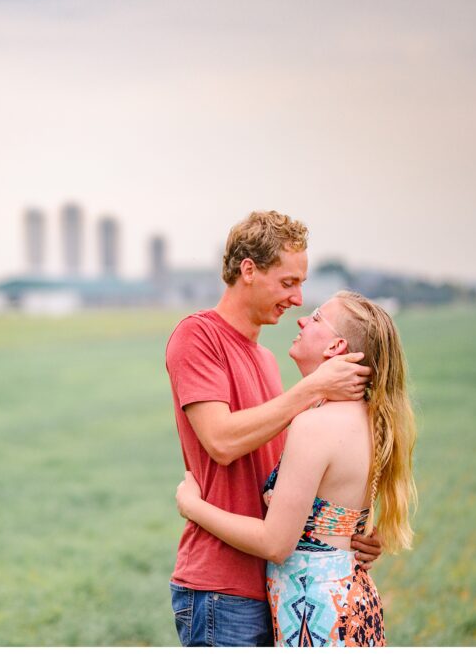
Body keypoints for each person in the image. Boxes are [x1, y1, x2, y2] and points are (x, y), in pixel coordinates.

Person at [166, 210, 381, 647]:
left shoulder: (265, 358)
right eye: (288, 283)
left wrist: (344, 534)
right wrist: (311, 388)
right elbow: (222, 441)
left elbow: (285, 472)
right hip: (220, 588)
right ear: (248, 270)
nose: (298, 298)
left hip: (276, 582)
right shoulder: (197, 335)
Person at [176, 291, 417, 646]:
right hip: (352, 604)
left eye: (317, 316)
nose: (303, 318)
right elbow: (339, 521)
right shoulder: (371, 420)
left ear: (336, 347)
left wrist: (192, 506)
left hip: (315, 612)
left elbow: (276, 543)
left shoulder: (314, 426)